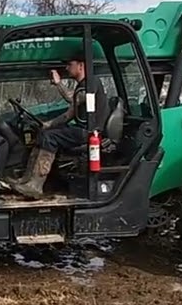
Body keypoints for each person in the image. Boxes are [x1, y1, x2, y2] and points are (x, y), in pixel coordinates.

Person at [7, 56, 107, 199]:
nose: (66, 68)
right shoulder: (82, 85)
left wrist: (59, 83)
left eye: (69, 64)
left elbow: (73, 98)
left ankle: (36, 185)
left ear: (81, 65)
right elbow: (69, 115)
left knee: (50, 138)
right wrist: (47, 124)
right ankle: (27, 179)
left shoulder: (92, 83)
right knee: (44, 133)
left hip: (90, 133)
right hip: (82, 130)